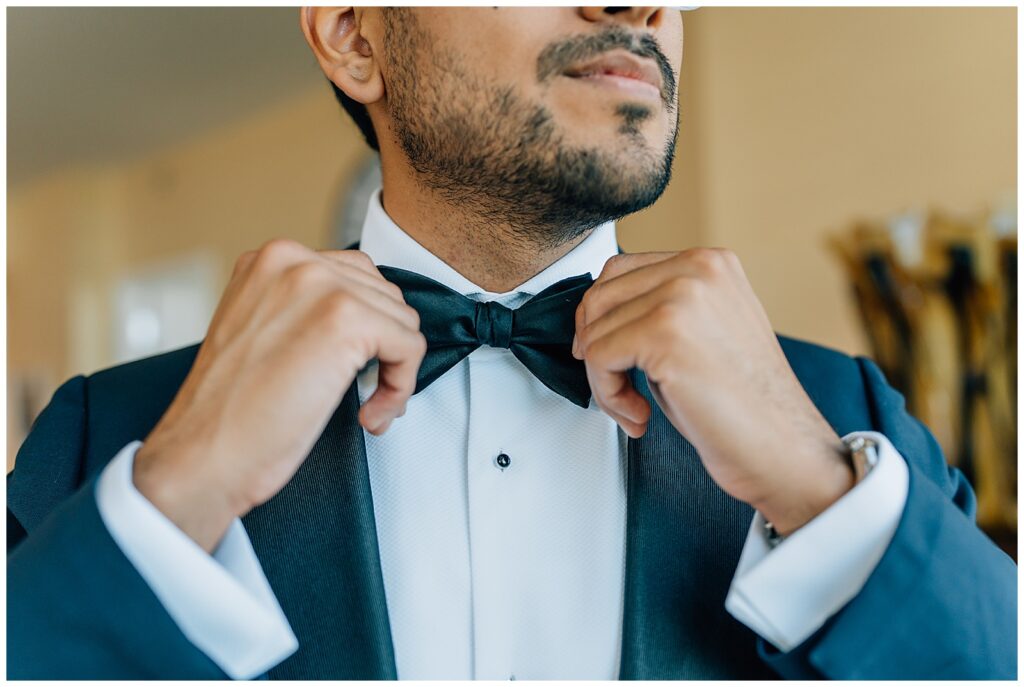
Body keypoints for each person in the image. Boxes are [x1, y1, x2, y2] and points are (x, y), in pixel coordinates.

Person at [6, 7, 1016, 680]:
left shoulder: (849, 424)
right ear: (354, 36)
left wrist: (819, 494)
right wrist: (172, 502)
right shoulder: (114, 438)